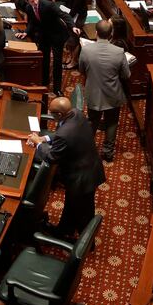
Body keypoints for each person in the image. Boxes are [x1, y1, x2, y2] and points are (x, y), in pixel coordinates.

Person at [26, 97, 105, 237]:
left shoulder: (65, 134)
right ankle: (64, 230)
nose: (50, 115)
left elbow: (51, 157)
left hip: (81, 178)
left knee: (83, 211)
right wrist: (45, 138)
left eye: (52, 113)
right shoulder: (76, 114)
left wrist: (38, 143)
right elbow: (64, 131)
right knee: (73, 204)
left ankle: (87, 241)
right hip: (90, 167)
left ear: (60, 115)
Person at [79, 20, 131, 161]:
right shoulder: (119, 52)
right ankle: (108, 152)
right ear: (111, 34)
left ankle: (87, 150)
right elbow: (126, 75)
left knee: (92, 121)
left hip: (93, 93)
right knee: (112, 122)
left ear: (96, 33)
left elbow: (82, 70)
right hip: (113, 93)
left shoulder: (86, 50)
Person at [16, 0, 79, 95]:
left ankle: (57, 89)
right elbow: (31, 22)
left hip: (57, 35)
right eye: (32, 1)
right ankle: (44, 82)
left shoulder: (48, 5)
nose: (35, 2)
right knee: (44, 59)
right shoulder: (28, 8)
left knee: (57, 62)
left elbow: (63, 15)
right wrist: (26, 32)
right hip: (44, 35)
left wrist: (73, 26)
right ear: (28, 1)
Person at [53, 0, 91, 69]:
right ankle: (70, 56)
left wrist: (64, 16)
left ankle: (74, 61)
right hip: (71, 12)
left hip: (77, 16)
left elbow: (74, 10)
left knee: (73, 39)